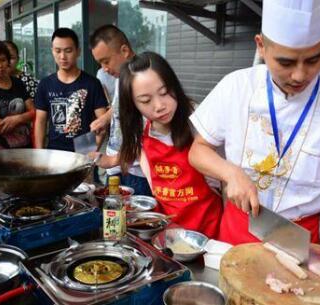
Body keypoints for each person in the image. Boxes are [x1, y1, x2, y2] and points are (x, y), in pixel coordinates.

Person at [188, 0, 320, 278]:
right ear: (261, 45)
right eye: (285, 62)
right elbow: (198, 150)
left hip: (302, 239)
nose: (300, 75)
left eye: (314, 59)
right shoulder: (236, 87)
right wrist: (231, 173)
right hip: (239, 227)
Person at [96, 52, 223, 238]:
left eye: (164, 93)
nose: (159, 106)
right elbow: (139, 154)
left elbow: (221, 183)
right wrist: (110, 160)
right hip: (169, 228)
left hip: (207, 228)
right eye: (146, 101)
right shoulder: (143, 129)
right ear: (134, 105)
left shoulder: (199, 123)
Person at [90, 25, 152, 196]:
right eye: (100, 63)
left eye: (106, 61)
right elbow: (118, 106)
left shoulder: (143, 82)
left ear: (124, 50)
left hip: (136, 171)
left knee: (133, 219)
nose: (104, 68)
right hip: (116, 166)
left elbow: (146, 133)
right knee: (114, 217)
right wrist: (105, 119)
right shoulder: (121, 77)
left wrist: (112, 160)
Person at [34, 28, 108, 152]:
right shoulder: (45, 84)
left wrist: (91, 154)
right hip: (54, 151)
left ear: (78, 51)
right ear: (52, 51)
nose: (62, 57)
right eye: (58, 51)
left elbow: (102, 122)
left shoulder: (92, 83)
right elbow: (40, 122)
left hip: (84, 148)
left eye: (68, 51)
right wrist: (40, 153)